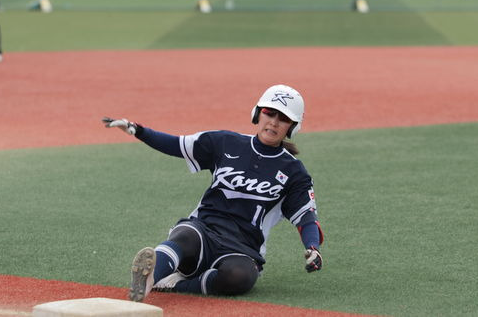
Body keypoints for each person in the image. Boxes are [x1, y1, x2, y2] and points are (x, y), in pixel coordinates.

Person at [103, 84, 324, 302]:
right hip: (203, 229)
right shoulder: (225, 142)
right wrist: (138, 130)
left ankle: (177, 283)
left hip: (243, 247)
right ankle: (149, 279)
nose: (274, 122)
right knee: (184, 238)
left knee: (240, 277)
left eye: (283, 118)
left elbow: (306, 218)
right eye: (269, 112)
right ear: (258, 113)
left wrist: (312, 248)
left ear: (292, 126)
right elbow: (176, 144)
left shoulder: (294, 171)